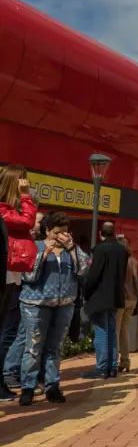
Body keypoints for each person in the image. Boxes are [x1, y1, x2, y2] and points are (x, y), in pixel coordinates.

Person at [18, 211, 89, 405]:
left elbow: (83, 270)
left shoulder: (71, 250)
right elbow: (28, 276)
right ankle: (28, 387)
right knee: (33, 347)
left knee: (55, 348)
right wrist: (45, 254)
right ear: (47, 231)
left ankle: (52, 386)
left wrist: (72, 247)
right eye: (58, 232)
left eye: (65, 232)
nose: (62, 236)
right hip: (35, 305)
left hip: (64, 304)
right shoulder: (35, 247)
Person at [0, 167, 38, 401]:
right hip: (6, 273)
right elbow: (27, 221)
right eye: (22, 181)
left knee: (8, 329)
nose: (26, 184)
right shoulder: (3, 210)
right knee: (6, 331)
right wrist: (26, 196)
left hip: (11, 274)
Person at [82, 221, 129, 380]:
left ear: (100, 234)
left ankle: (102, 367)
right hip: (115, 296)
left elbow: (93, 276)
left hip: (100, 296)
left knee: (101, 332)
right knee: (111, 331)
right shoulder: (122, 250)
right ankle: (112, 367)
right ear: (114, 233)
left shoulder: (100, 250)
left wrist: (86, 293)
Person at [115, 236, 138, 373]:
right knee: (124, 329)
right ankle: (125, 361)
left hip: (122, 298)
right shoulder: (133, 260)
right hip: (133, 298)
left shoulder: (119, 260)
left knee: (115, 330)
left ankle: (113, 362)